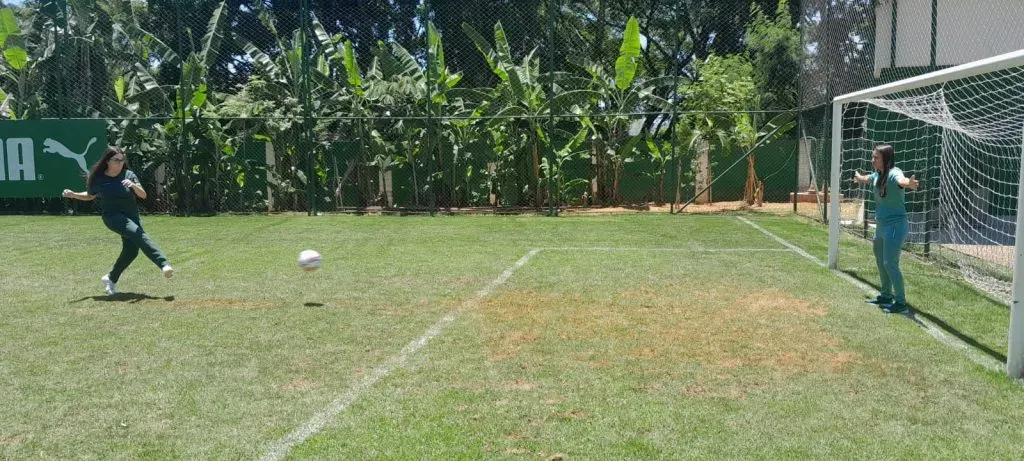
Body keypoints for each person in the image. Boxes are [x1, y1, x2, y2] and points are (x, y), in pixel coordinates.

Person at [62, 146, 174, 295]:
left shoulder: (129, 174)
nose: (120, 163)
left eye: (122, 160)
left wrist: (133, 185)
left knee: (131, 251)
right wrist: (73, 194)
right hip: (112, 217)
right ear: (107, 161)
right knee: (138, 234)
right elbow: (90, 195)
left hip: (132, 216)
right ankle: (163, 264)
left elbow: (143, 195)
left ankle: (110, 278)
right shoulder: (99, 178)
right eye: (116, 160)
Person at [853, 144, 919, 314]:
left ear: (886, 160)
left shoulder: (894, 173)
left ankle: (901, 303)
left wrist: (908, 183)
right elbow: (868, 178)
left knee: (890, 263)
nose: (872, 160)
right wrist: (859, 178)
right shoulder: (877, 175)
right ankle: (886, 295)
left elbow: (901, 180)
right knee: (881, 261)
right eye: (873, 156)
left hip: (896, 227)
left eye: (876, 157)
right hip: (881, 227)